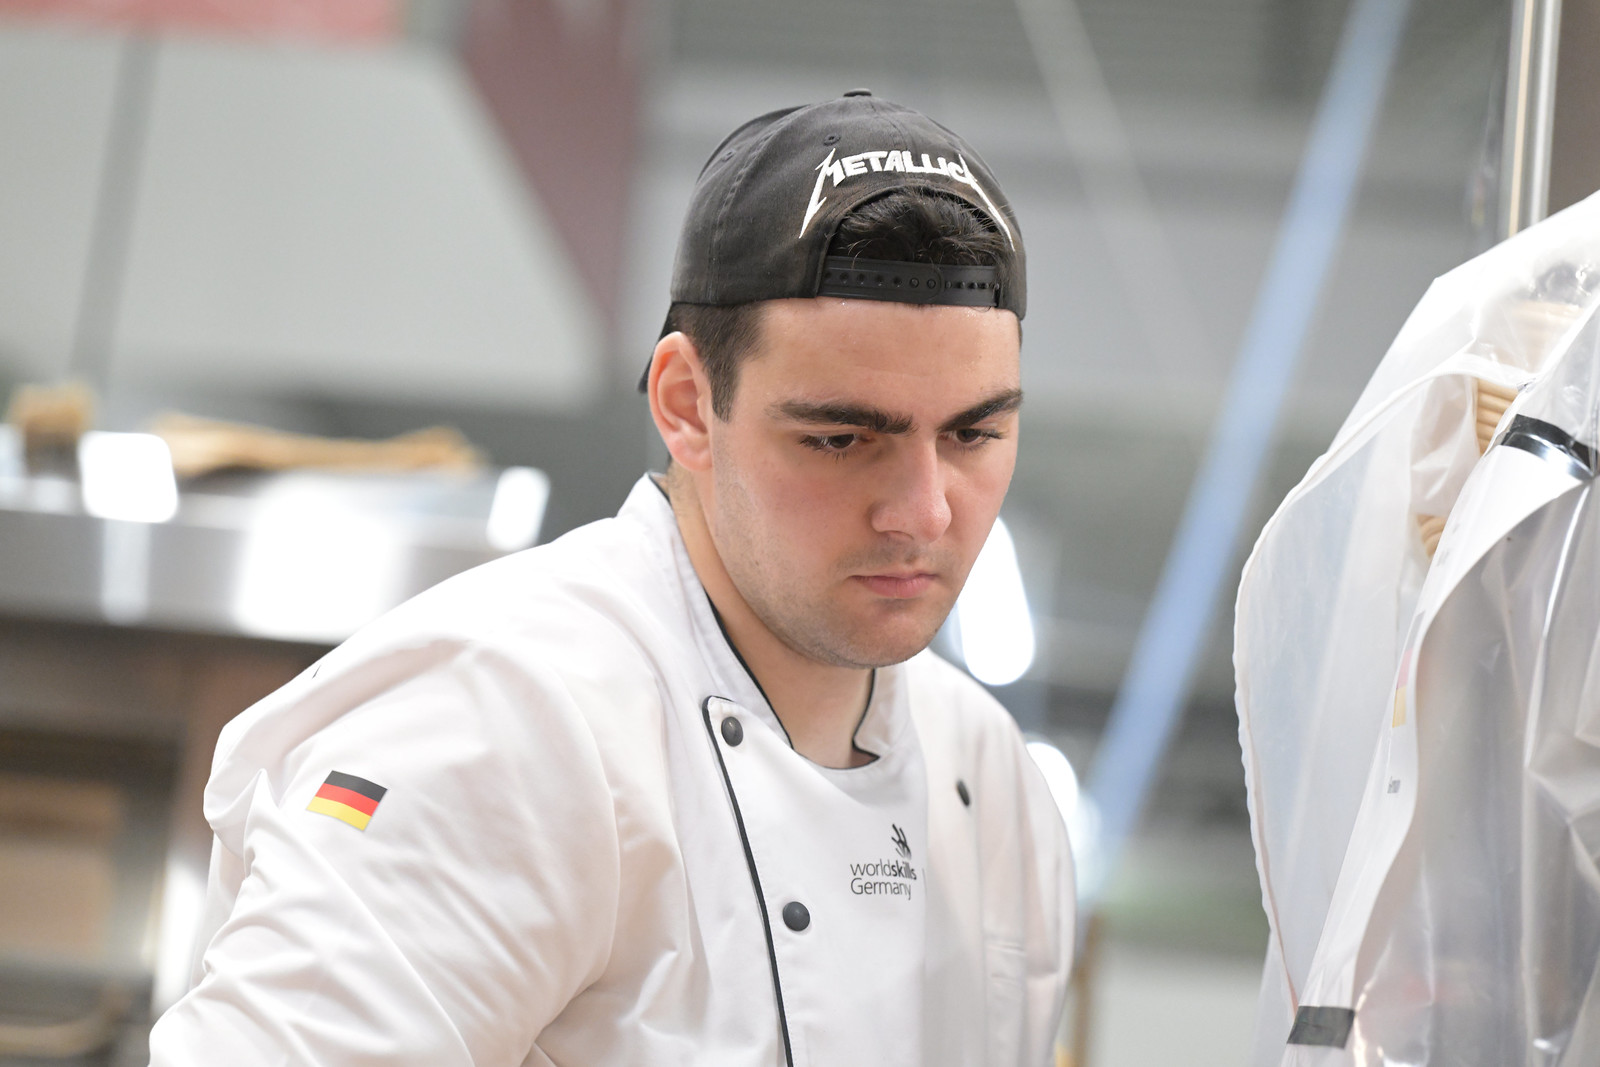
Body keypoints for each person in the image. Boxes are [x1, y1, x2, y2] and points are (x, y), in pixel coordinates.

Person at [149, 90, 1075, 1067]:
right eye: (841, 437)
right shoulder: (505, 715)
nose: (924, 511)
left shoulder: (990, 776)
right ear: (686, 404)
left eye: (974, 432)